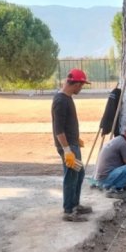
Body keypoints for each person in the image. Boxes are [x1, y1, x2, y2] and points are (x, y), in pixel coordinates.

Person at [52, 68, 92, 222]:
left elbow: (67, 125)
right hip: (67, 147)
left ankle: (75, 204)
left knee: (79, 174)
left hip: (72, 143)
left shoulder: (67, 98)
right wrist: (67, 150)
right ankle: (68, 211)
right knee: (71, 176)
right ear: (75, 84)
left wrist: (76, 138)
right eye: (81, 85)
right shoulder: (60, 101)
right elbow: (58, 129)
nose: (81, 88)